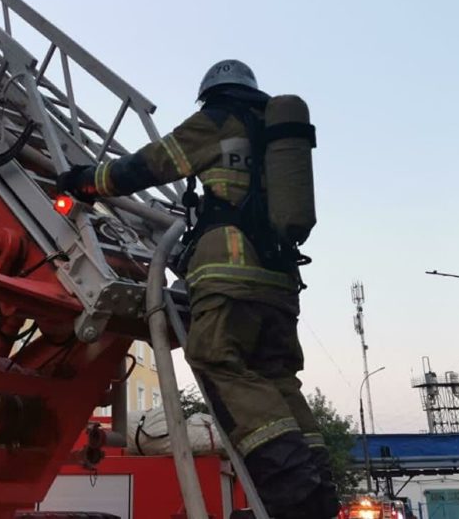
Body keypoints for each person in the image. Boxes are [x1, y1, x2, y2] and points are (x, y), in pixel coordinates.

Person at [57, 61, 337, 518]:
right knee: (276, 376)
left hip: (229, 275)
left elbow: (147, 165)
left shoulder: (218, 121)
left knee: (217, 358)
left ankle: (289, 487)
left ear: (211, 94)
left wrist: (87, 181)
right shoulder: (273, 135)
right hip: (280, 285)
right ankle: (317, 490)